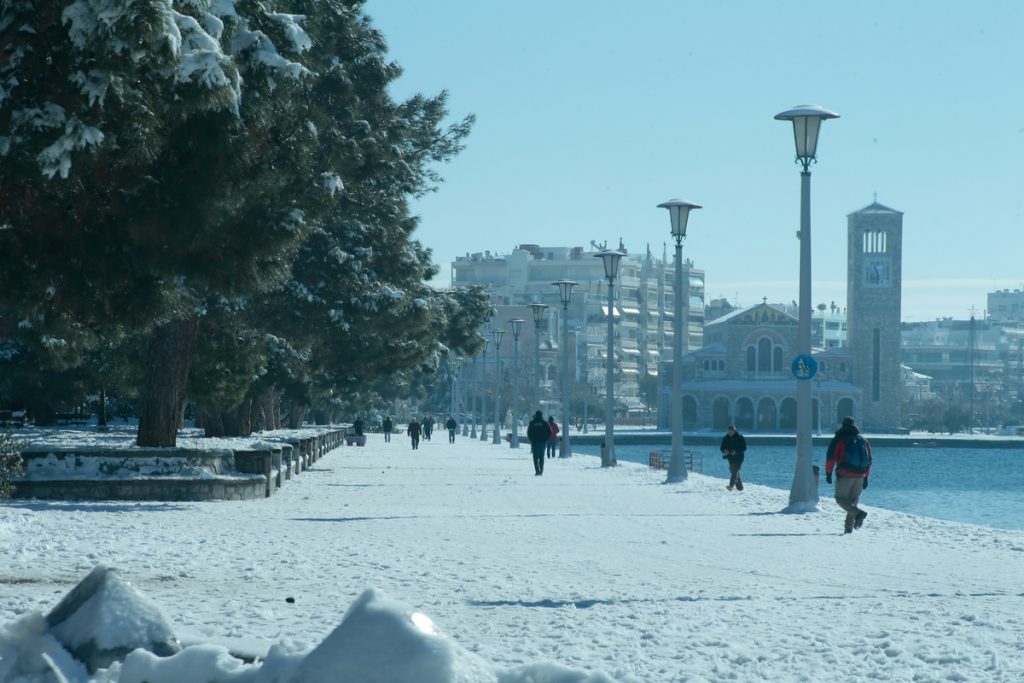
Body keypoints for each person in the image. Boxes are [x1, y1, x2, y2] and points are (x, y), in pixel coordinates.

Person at [825, 416, 873, 534]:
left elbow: (831, 457)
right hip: (860, 475)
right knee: (852, 502)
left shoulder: (839, 438)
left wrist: (828, 473)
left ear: (843, 425)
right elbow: (869, 460)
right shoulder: (863, 439)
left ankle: (859, 514)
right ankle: (849, 529)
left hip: (845, 474)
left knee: (840, 499)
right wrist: (866, 477)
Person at [720, 425, 747, 491]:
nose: (730, 432)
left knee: (735, 471)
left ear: (734, 431)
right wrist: (725, 450)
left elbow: (744, 448)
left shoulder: (740, 437)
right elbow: (721, 448)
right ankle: (740, 488)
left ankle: (731, 486)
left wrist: (736, 451)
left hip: (739, 458)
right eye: (729, 431)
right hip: (730, 458)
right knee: (733, 471)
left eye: (731, 431)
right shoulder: (725, 438)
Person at [526, 410, 552, 476]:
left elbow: (529, 432)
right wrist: (546, 438)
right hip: (543, 442)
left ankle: (537, 470)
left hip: (534, 442)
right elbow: (550, 431)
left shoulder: (532, 423)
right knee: (541, 456)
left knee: (535, 457)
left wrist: (531, 439)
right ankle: (541, 470)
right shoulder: (544, 423)